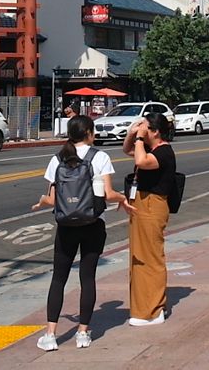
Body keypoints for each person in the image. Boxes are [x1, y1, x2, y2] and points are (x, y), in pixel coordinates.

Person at [31, 116, 133, 351]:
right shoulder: (100, 157)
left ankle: (50, 335)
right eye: (93, 130)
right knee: (87, 278)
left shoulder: (57, 159)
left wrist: (42, 201)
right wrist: (123, 198)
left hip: (66, 226)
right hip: (93, 224)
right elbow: (108, 194)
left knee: (59, 278)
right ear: (88, 132)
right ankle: (83, 334)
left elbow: (52, 200)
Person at [122, 112, 177, 326]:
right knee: (139, 256)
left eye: (146, 128)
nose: (142, 131)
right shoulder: (149, 148)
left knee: (151, 257)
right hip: (141, 203)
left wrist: (138, 138)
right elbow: (127, 150)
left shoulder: (164, 152)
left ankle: (154, 310)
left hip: (152, 205)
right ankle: (143, 307)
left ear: (155, 132)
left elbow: (140, 161)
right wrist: (132, 133)